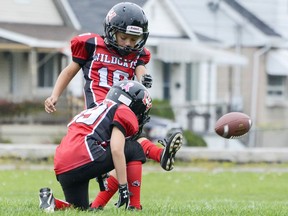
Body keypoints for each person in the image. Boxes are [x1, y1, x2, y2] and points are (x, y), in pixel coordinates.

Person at [43, 2, 183, 210]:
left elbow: (141, 70)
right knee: (132, 148)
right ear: (111, 31)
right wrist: (54, 95)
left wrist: (145, 79)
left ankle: (86, 205)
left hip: (121, 107)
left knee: (126, 152)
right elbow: (69, 71)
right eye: (123, 37)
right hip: (102, 110)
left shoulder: (136, 55)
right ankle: (156, 162)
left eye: (133, 39)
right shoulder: (91, 44)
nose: (128, 44)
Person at [40, 80, 153, 211]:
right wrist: (123, 187)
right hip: (84, 157)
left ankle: (51, 202)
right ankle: (134, 206)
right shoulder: (123, 111)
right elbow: (117, 150)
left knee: (79, 209)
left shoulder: (95, 109)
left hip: (62, 167)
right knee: (134, 149)